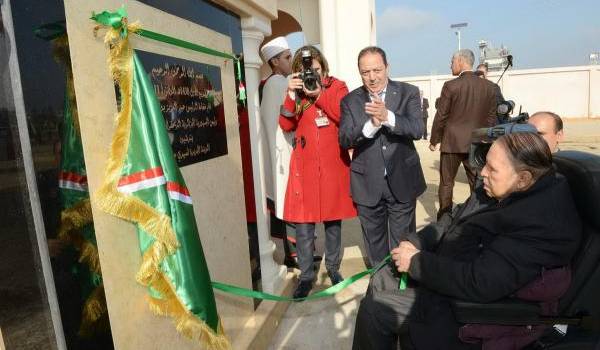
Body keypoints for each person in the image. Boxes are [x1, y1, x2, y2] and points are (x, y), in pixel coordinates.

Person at [353, 132, 582, 349]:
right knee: (381, 278)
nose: (482, 173)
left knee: (376, 310)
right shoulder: (501, 189)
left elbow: (480, 282)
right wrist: (416, 242)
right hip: (448, 272)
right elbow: (451, 219)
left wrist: (416, 263)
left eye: (492, 169)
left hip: (470, 309)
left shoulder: (541, 223)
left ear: (523, 179)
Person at [279, 45, 357, 298]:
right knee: (303, 226)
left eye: (314, 68)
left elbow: (343, 115)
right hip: (305, 167)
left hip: (333, 165)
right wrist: (291, 93)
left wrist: (319, 93)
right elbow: (285, 123)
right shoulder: (297, 91)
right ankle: (306, 275)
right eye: (305, 71)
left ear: (323, 67)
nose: (310, 74)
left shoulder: (337, 86)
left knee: (333, 223)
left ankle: (333, 268)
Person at [339, 46, 426, 266]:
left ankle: (401, 290)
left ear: (387, 67)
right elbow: (345, 139)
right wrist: (371, 125)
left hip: (403, 180)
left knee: (403, 243)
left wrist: (388, 117)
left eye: (377, 70)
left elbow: (417, 129)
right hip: (367, 183)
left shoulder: (408, 93)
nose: (372, 77)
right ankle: (379, 285)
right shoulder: (350, 101)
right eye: (365, 72)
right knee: (375, 245)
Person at [430, 49, 497, 220]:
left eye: (452, 60)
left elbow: (441, 116)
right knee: (477, 182)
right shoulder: (490, 87)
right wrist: (484, 138)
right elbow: (491, 117)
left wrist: (434, 139)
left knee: (447, 183)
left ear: (461, 61)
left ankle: (444, 218)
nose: (450, 64)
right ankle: (477, 215)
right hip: (476, 143)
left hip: (452, 142)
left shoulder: (451, 86)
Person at [259, 36, 297, 267]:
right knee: (289, 207)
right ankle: (294, 256)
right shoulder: (277, 84)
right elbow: (283, 124)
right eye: (287, 57)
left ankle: (295, 253)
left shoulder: (278, 82)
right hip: (283, 155)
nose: (291, 61)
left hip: (281, 154)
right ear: (274, 62)